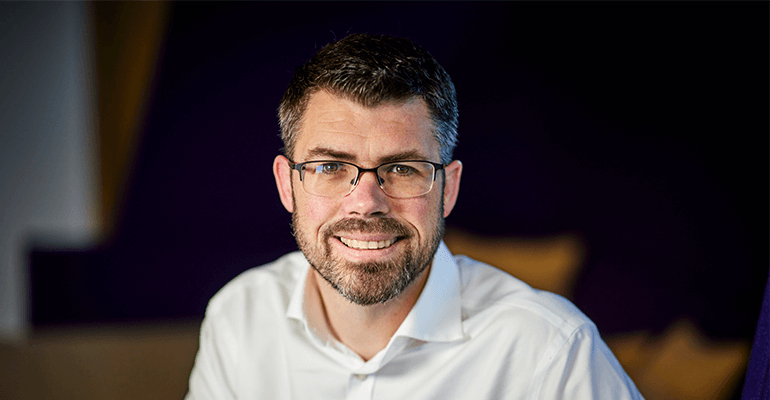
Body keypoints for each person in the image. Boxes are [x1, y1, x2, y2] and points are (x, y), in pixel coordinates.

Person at [186, 33, 644, 399]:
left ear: (449, 189)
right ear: (287, 184)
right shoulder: (238, 320)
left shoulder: (551, 351)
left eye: (402, 168)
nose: (366, 202)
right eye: (330, 167)